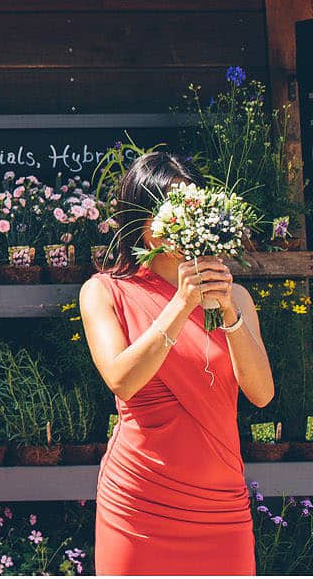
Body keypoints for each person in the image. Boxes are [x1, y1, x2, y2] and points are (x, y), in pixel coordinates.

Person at [80, 150, 273, 575]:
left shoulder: (235, 297)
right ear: (143, 224)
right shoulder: (104, 291)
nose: (185, 223)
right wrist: (183, 303)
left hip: (221, 510)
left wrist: (229, 313)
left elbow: (261, 394)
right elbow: (121, 379)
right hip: (140, 508)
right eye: (174, 212)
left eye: (193, 209)